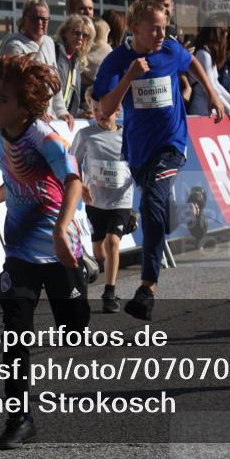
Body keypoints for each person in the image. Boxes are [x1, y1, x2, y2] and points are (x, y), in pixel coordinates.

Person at [0, 55, 88, 449]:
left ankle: (85, 275)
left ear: (24, 106)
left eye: (2, 99)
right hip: (19, 253)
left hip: (59, 250)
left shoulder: (45, 138)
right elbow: (13, 183)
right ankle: (19, 418)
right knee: (14, 334)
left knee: (74, 330)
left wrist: (63, 228)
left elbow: (74, 180)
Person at [92, 0, 226, 320]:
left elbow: (191, 61)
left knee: (152, 201)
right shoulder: (117, 60)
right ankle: (184, 210)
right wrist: (128, 77)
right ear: (134, 28)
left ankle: (147, 287)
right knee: (158, 212)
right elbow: (106, 111)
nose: (161, 34)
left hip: (172, 144)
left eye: (164, 27)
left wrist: (212, 93)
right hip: (138, 151)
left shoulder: (170, 50)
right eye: (154, 28)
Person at [71, 96, 136, 313]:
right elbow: (72, 163)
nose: (100, 113)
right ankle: (101, 265)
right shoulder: (86, 135)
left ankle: (110, 292)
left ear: (117, 110)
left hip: (121, 200)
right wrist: (79, 185)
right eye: (95, 109)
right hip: (95, 201)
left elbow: (138, 162)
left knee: (111, 243)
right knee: (99, 249)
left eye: (104, 109)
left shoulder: (127, 135)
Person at [0, 0, 74, 131]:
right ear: (24, 19)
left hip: (47, 118)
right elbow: (17, 87)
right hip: (22, 121)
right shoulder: (14, 46)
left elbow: (54, 81)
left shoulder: (49, 43)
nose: (40, 23)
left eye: (44, 20)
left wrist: (62, 111)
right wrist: (35, 112)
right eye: (35, 18)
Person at [190, 23, 230, 117]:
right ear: (217, 34)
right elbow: (211, 86)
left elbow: (216, 83)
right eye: (225, 30)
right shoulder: (203, 54)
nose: (227, 34)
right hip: (202, 110)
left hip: (210, 108)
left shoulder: (208, 54)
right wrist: (228, 109)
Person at [55, 14, 94, 118]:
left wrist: (83, 113)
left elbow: (70, 103)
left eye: (85, 35)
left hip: (63, 120)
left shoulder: (76, 61)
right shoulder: (55, 52)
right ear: (65, 33)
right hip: (50, 117)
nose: (80, 38)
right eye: (76, 33)